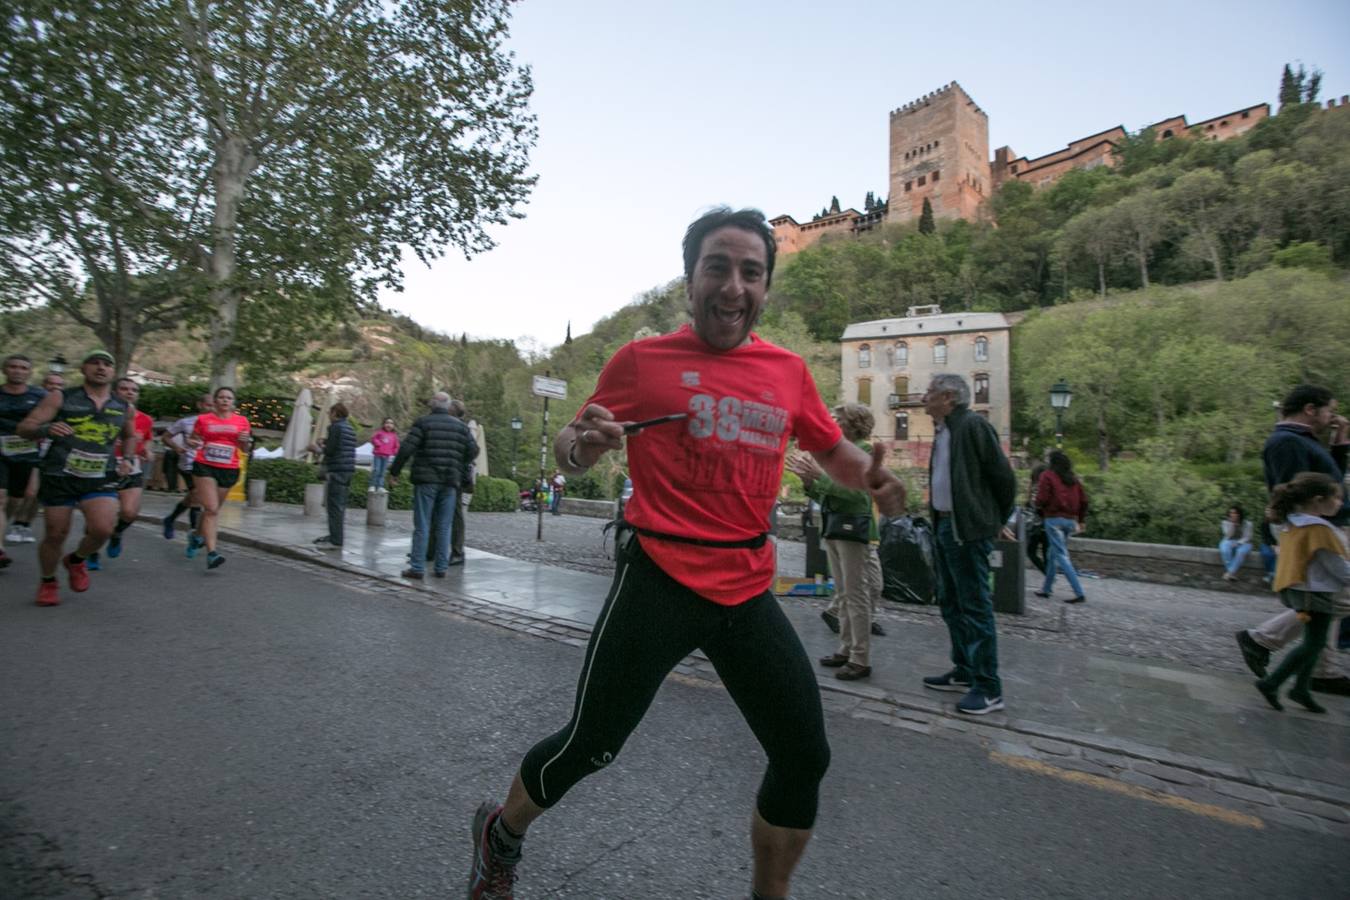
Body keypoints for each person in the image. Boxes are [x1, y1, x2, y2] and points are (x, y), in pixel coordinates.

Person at [465, 208, 907, 900]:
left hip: (745, 586)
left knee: (803, 755)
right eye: (718, 268)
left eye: (751, 273)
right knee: (592, 745)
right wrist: (586, 443)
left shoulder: (787, 371)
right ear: (690, 279)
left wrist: (872, 476)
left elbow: (831, 450)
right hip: (659, 580)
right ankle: (501, 833)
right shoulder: (641, 362)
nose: (734, 286)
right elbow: (570, 450)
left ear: (765, 287)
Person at [1235, 384, 1350, 696]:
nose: (1332, 417)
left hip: (1323, 527)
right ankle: (1263, 640)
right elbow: (1300, 492)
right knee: (1335, 599)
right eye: (1329, 410)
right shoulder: (1286, 442)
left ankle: (1319, 669)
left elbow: (1330, 487)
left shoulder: (1301, 441)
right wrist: (1308, 532)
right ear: (1310, 410)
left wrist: (1339, 444)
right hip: (1317, 530)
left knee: (1333, 599)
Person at [919, 373, 1017, 715]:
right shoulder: (944, 429)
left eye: (930, 392)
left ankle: (989, 688)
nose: (924, 397)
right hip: (946, 527)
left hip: (967, 532)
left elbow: (1003, 479)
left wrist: (993, 521)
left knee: (975, 606)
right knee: (951, 601)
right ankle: (964, 670)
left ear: (948, 397)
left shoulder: (972, 426)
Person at [17, 350, 137, 606]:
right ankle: (48, 580)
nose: (101, 368)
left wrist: (127, 459)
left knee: (103, 529)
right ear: (83, 369)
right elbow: (25, 427)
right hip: (59, 473)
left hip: (99, 474)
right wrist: (46, 428)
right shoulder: (61, 397)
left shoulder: (123, 406)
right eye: (94, 363)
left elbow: (130, 436)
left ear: (113, 372)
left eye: (107, 364)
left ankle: (76, 559)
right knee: (56, 533)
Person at [789, 402, 884, 680]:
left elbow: (859, 496)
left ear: (853, 424)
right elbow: (829, 495)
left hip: (853, 532)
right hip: (835, 528)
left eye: (837, 419)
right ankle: (846, 648)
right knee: (843, 593)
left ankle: (860, 658)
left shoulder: (865, 452)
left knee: (856, 595)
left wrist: (820, 477)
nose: (831, 422)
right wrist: (810, 483)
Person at [1253, 473, 1350, 714]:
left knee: (1314, 642)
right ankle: (1272, 683)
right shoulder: (1319, 529)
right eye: (1337, 498)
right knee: (1313, 644)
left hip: (1300, 589)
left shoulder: (1292, 522)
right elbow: (1336, 565)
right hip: (1314, 591)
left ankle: (1301, 688)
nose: (1340, 503)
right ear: (1318, 500)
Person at [388, 392, 476, 579]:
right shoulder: (461, 428)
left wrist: (394, 472)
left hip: (427, 479)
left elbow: (406, 449)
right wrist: (457, 461)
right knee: (444, 525)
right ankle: (441, 567)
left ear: (433, 405)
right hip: (450, 481)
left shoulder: (423, 422)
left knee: (422, 524)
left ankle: (417, 567)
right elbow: (473, 450)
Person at [89, 377, 155, 566]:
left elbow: (146, 439)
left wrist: (147, 450)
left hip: (131, 467)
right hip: (103, 467)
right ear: (115, 392)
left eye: (134, 390)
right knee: (99, 516)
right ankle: (92, 551)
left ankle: (117, 533)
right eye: (124, 389)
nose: (129, 392)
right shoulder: (101, 413)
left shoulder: (145, 419)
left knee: (129, 512)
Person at [186, 386, 252, 570]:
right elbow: (193, 439)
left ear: (233, 402)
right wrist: (192, 443)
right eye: (221, 397)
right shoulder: (203, 419)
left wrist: (245, 441)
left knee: (211, 512)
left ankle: (196, 536)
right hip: (205, 466)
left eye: (228, 398)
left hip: (228, 468)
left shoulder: (242, 421)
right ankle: (212, 553)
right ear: (215, 401)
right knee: (212, 508)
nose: (225, 400)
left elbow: (245, 449)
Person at [1, 354, 46, 567]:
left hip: (26, 455)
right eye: (13, 367)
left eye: (23, 367)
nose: (17, 371)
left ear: (29, 372)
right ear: (5, 370)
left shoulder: (40, 395)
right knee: (0, 498)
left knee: (14, 500)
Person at [1033, 450, 1088, 604]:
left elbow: (1042, 498)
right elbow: (1084, 501)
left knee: (1061, 556)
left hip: (1053, 519)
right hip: (1070, 521)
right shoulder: (1073, 479)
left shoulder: (1047, 476)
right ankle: (1046, 589)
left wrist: (1038, 507)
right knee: (1052, 553)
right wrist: (1081, 520)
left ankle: (1079, 592)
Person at [161, 394, 213, 540]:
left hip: (210, 465)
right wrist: (177, 448)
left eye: (213, 406)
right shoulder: (186, 422)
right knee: (196, 494)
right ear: (200, 405)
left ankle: (170, 519)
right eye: (208, 405)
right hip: (189, 463)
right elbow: (165, 437)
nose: (211, 409)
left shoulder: (218, 424)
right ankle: (194, 532)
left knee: (192, 497)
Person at [313, 402, 356, 549]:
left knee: (334, 506)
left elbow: (331, 451)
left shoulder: (335, 427)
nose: (328, 416)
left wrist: (317, 448)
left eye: (329, 413)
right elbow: (341, 446)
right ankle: (335, 535)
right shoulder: (349, 428)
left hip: (337, 470)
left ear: (335, 414)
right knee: (340, 505)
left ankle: (336, 540)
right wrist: (326, 441)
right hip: (348, 471)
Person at [448, 399, 475, 566]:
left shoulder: (462, 429)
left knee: (456, 515)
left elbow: (472, 452)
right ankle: (455, 551)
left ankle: (457, 551)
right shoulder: (464, 429)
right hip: (454, 476)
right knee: (451, 514)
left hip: (455, 477)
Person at [1218, 505, 1254, 582]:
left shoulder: (1248, 524)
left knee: (1241, 552)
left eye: (1235, 513)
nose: (1233, 514)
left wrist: (1238, 543)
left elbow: (1248, 537)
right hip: (1230, 540)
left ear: (1239, 514)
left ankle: (1229, 573)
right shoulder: (1225, 523)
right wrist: (1232, 525)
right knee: (1224, 549)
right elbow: (1228, 535)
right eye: (1231, 513)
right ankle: (1232, 574)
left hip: (1245, 543)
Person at [369, 417, 399, 492]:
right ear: (383, 424)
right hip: (378, 454)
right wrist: (378, 443)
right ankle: (372, 485)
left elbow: (396, 445)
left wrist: (394, 451)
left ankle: (380, 486)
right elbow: (373, 439)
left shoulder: (394, 436)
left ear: (394, 426)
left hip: (387, 456)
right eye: (387, 423)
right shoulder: (379, 432)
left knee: (383, 472)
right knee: (376, 470)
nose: (389, 425)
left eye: (391, 423)